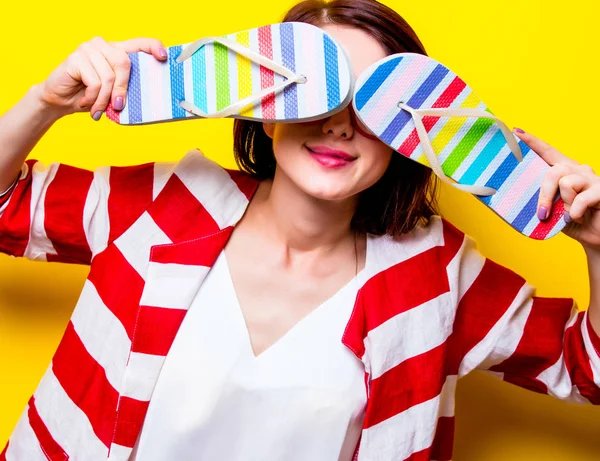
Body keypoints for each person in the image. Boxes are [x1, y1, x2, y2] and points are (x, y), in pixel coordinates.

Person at [1, 0, 599, 460]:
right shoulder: (162, 201)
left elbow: (587, 370)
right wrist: (43, 104)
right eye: (315, 92)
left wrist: (598, 244)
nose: (340, 125)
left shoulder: (436, 274)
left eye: (374, 103)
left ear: (409, 137)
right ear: (261, 107)